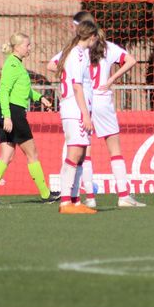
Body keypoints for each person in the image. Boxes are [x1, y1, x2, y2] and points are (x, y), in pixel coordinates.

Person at [48, 12, 145, 208]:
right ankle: (123, 195)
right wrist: (110, 80)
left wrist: (65, 75)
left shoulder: (72, 50)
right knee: (114, 150)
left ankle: (89, 198)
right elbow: (131, 60)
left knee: (84, 153)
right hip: (96, 99)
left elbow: (51, 65)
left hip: (84, 101)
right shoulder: (106, 47)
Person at [0, 33, 60, 205]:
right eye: (27, 45)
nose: (29, 48)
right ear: (17, 47)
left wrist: (40, 98)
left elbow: (24, 90)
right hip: (13, 113)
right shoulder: (12, 64)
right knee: (32, 154)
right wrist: (7, 117)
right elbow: (3, 91)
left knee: (7, 156)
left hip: (7, 113)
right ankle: (46, 195)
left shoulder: (16, 64)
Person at [56, 21, 99, 214]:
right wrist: (85, 115)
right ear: (92, 36)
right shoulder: (78, 55)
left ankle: (74, 200)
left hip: (76, 110)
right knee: (74, 155)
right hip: (75, 111)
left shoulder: (79, 53)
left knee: (80, 156)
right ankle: (66, 202)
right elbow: (77, 86)